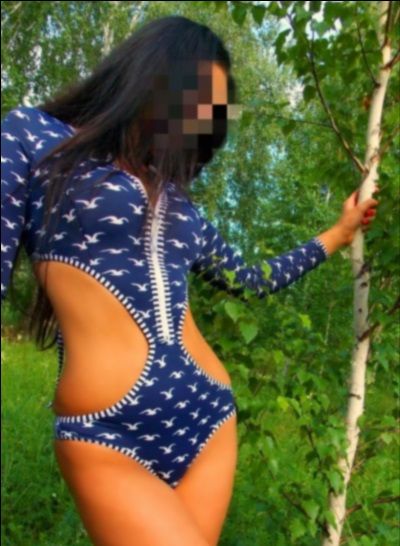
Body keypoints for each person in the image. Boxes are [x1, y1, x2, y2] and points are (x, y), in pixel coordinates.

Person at [1, 15, 378, 546]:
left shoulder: (177, 199)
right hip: (105, 433)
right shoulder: (33, 136)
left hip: (208, 419)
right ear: (154, 72)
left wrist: (337, 234)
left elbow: (250, 280)